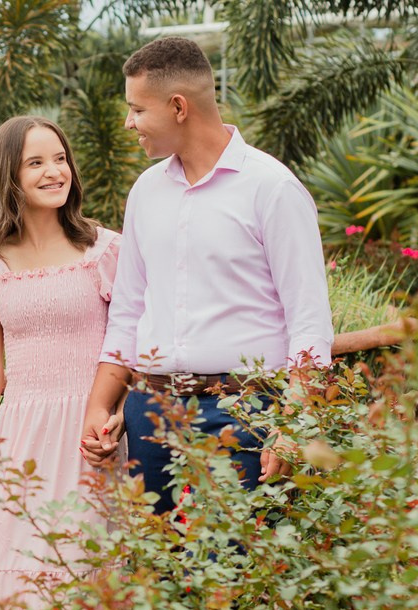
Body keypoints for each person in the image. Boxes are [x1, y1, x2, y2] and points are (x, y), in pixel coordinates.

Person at [81, 36, 335, 512]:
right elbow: (129, 308)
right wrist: (101, 405)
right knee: (158, 573)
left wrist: (293, 423)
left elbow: (309, 321)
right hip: (150, 413)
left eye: (136, 109)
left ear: (178, 107)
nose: (128, 122)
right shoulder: (146, 192)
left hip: (244, 413)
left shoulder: (273, 189)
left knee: (236, 572)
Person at [0, 115, 122, 610]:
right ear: (9, 177)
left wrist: (119, 411)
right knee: (20, 584)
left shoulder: (106, 250)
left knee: (90, 577)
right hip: (19, 441)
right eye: (36, 163)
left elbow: (129, 347)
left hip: (92, 439)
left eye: (60, 158)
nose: (55, 171)